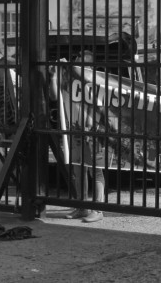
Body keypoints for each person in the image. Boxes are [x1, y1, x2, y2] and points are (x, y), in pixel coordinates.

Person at [50, 51, 105, 222]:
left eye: (80, 64)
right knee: (78, 170)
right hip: (74, 132)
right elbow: (54, 96)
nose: (76, 65)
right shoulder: (68, 82)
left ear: (89, 68)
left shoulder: (95, 82)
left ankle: (98, 209)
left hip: (91, 132)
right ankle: (82, 206)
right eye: (75, 62)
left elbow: (102, 108)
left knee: (95, 171)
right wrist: (53, 75)